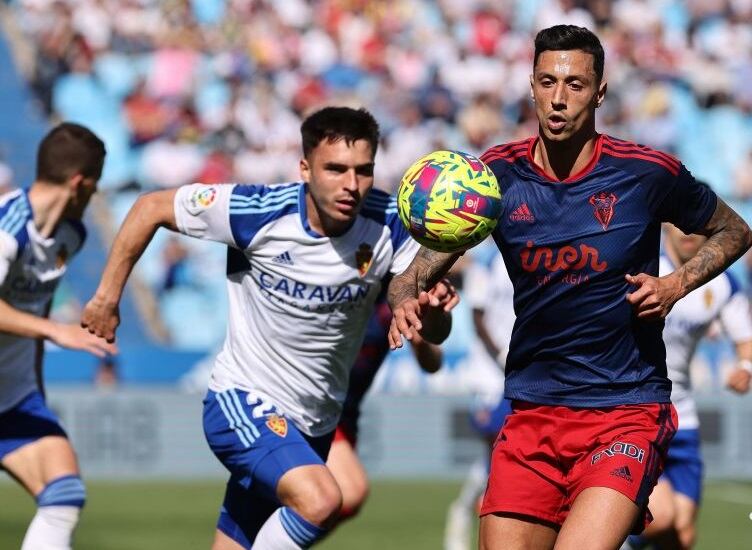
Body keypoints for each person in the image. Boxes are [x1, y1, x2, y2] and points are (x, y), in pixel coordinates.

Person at [387, 25, 752, 550]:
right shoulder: (493, 178)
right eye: (547, 82)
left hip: (625, 409)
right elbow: (413, 276)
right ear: (531, 86)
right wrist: (406, 302)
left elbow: (735, 229)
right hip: (534, 413)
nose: (558, 99)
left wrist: (674, 285)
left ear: (600, 91)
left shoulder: (645, 173)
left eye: (575, 85)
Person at [81, 106, 456, 550]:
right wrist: (106, 297)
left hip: (315, 424)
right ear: (304, 168)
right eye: (335, 169)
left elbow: (434, 335)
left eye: (362, 171)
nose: (350, 185)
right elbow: (150, 207)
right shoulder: (255, 211)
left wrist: (431, 310)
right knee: (322, 498)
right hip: (243, 399)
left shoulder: (393, 222)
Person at [0, 123, 116, 550]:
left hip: (13, 397)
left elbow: (35, 305)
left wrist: (35, 383)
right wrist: (55, 331)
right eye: (95, 185)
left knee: (63, 494)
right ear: (79, 183)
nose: (94, 195)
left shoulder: (71, 236)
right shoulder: (7, 227)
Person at [625, 223, 752, 550]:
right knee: (662, 518)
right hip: (638, 414)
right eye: (680, 224)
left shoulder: (722, 284)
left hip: (683, 418)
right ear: (665, 224)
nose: (687, 232)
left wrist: (745, 367)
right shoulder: (642, 269)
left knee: (682, 536)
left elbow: (745, 340)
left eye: (696, 227)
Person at [326, 286, 450, 524]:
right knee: (345, 491)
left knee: (326, 500)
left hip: (346, 414)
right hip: (313, 404)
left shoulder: (399, 288)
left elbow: (433, 364)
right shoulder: (337, 278)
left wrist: (419, 336)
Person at [444, 250, 514, 550]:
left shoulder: (535, 248)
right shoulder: (486, 261)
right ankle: (467, 510)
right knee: (498, 451)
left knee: (504, 455)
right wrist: (501, 354)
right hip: (490, 377)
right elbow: (476, 315)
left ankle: (464, 507)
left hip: (523, 371)